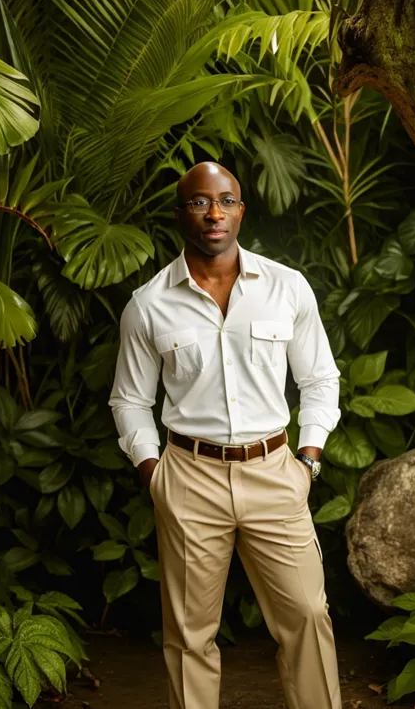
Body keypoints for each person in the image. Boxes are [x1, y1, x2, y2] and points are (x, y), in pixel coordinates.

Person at [109, 161, 342, 709]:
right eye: (199, 202)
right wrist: (154, 472)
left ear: (241, 209)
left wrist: (307, 459)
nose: (214, 213)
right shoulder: (148, 304)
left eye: (226, 201)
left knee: (308, 616)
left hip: (276, 474)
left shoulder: (287, 288)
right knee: (190, 636)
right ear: (180, 212)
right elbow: (130, 400)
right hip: (189, 478)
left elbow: (319, 379)